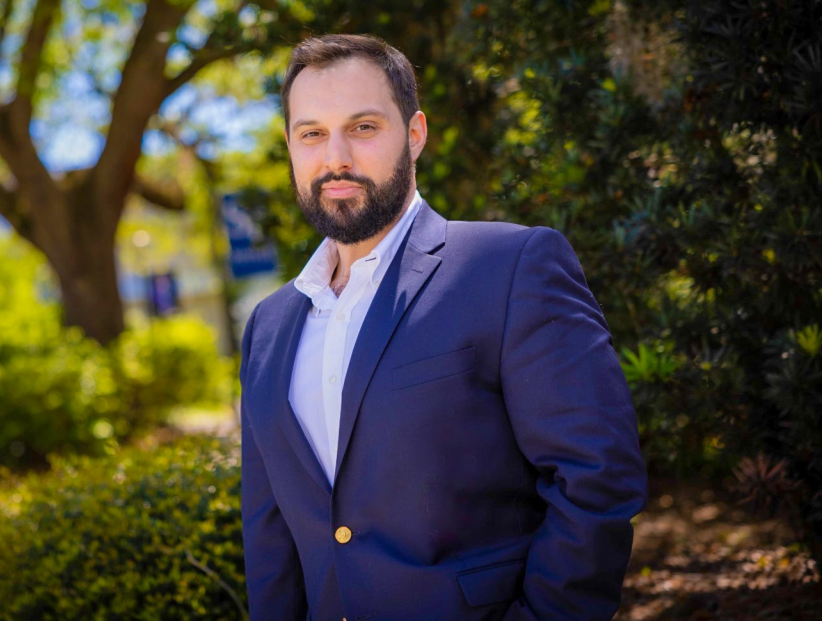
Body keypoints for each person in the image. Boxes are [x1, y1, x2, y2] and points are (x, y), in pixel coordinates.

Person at [239, 33, 647, 621]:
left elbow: (598, 477)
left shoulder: (509, 267)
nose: (335, 159)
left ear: (415, 133)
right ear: (290, 147)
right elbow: (269, 531)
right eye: (312, 134)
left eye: (363, 127)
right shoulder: (268, 327)